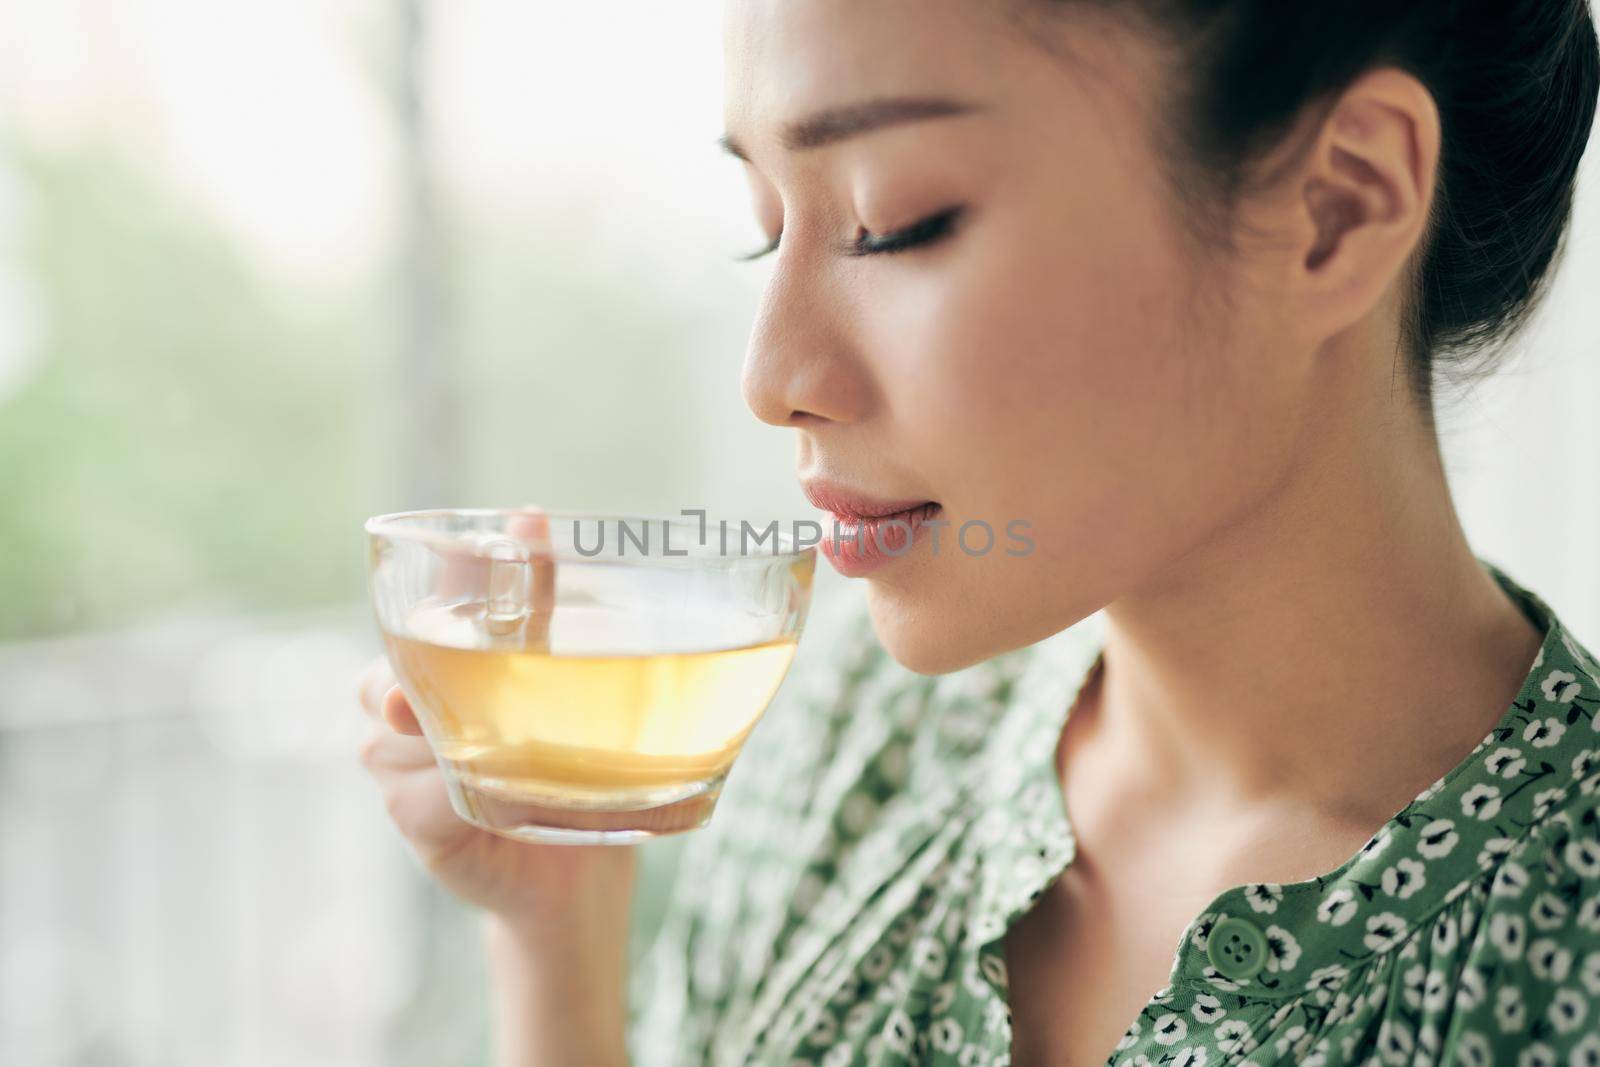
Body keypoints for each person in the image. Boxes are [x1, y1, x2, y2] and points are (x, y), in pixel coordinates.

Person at [353, 0, 1600, 1062]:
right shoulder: (856, 731)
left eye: (895, 220)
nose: (773, 374)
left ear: (1336, 206)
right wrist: (557, 940)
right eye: (764, 224)